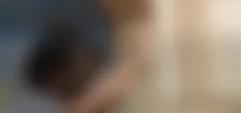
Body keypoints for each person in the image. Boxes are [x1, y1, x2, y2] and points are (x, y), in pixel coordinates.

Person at [13, 19, 151, 113]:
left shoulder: (56, 101)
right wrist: (131, 67)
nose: (90, 69)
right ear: (60, 72)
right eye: (82, 63)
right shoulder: (36, 103)